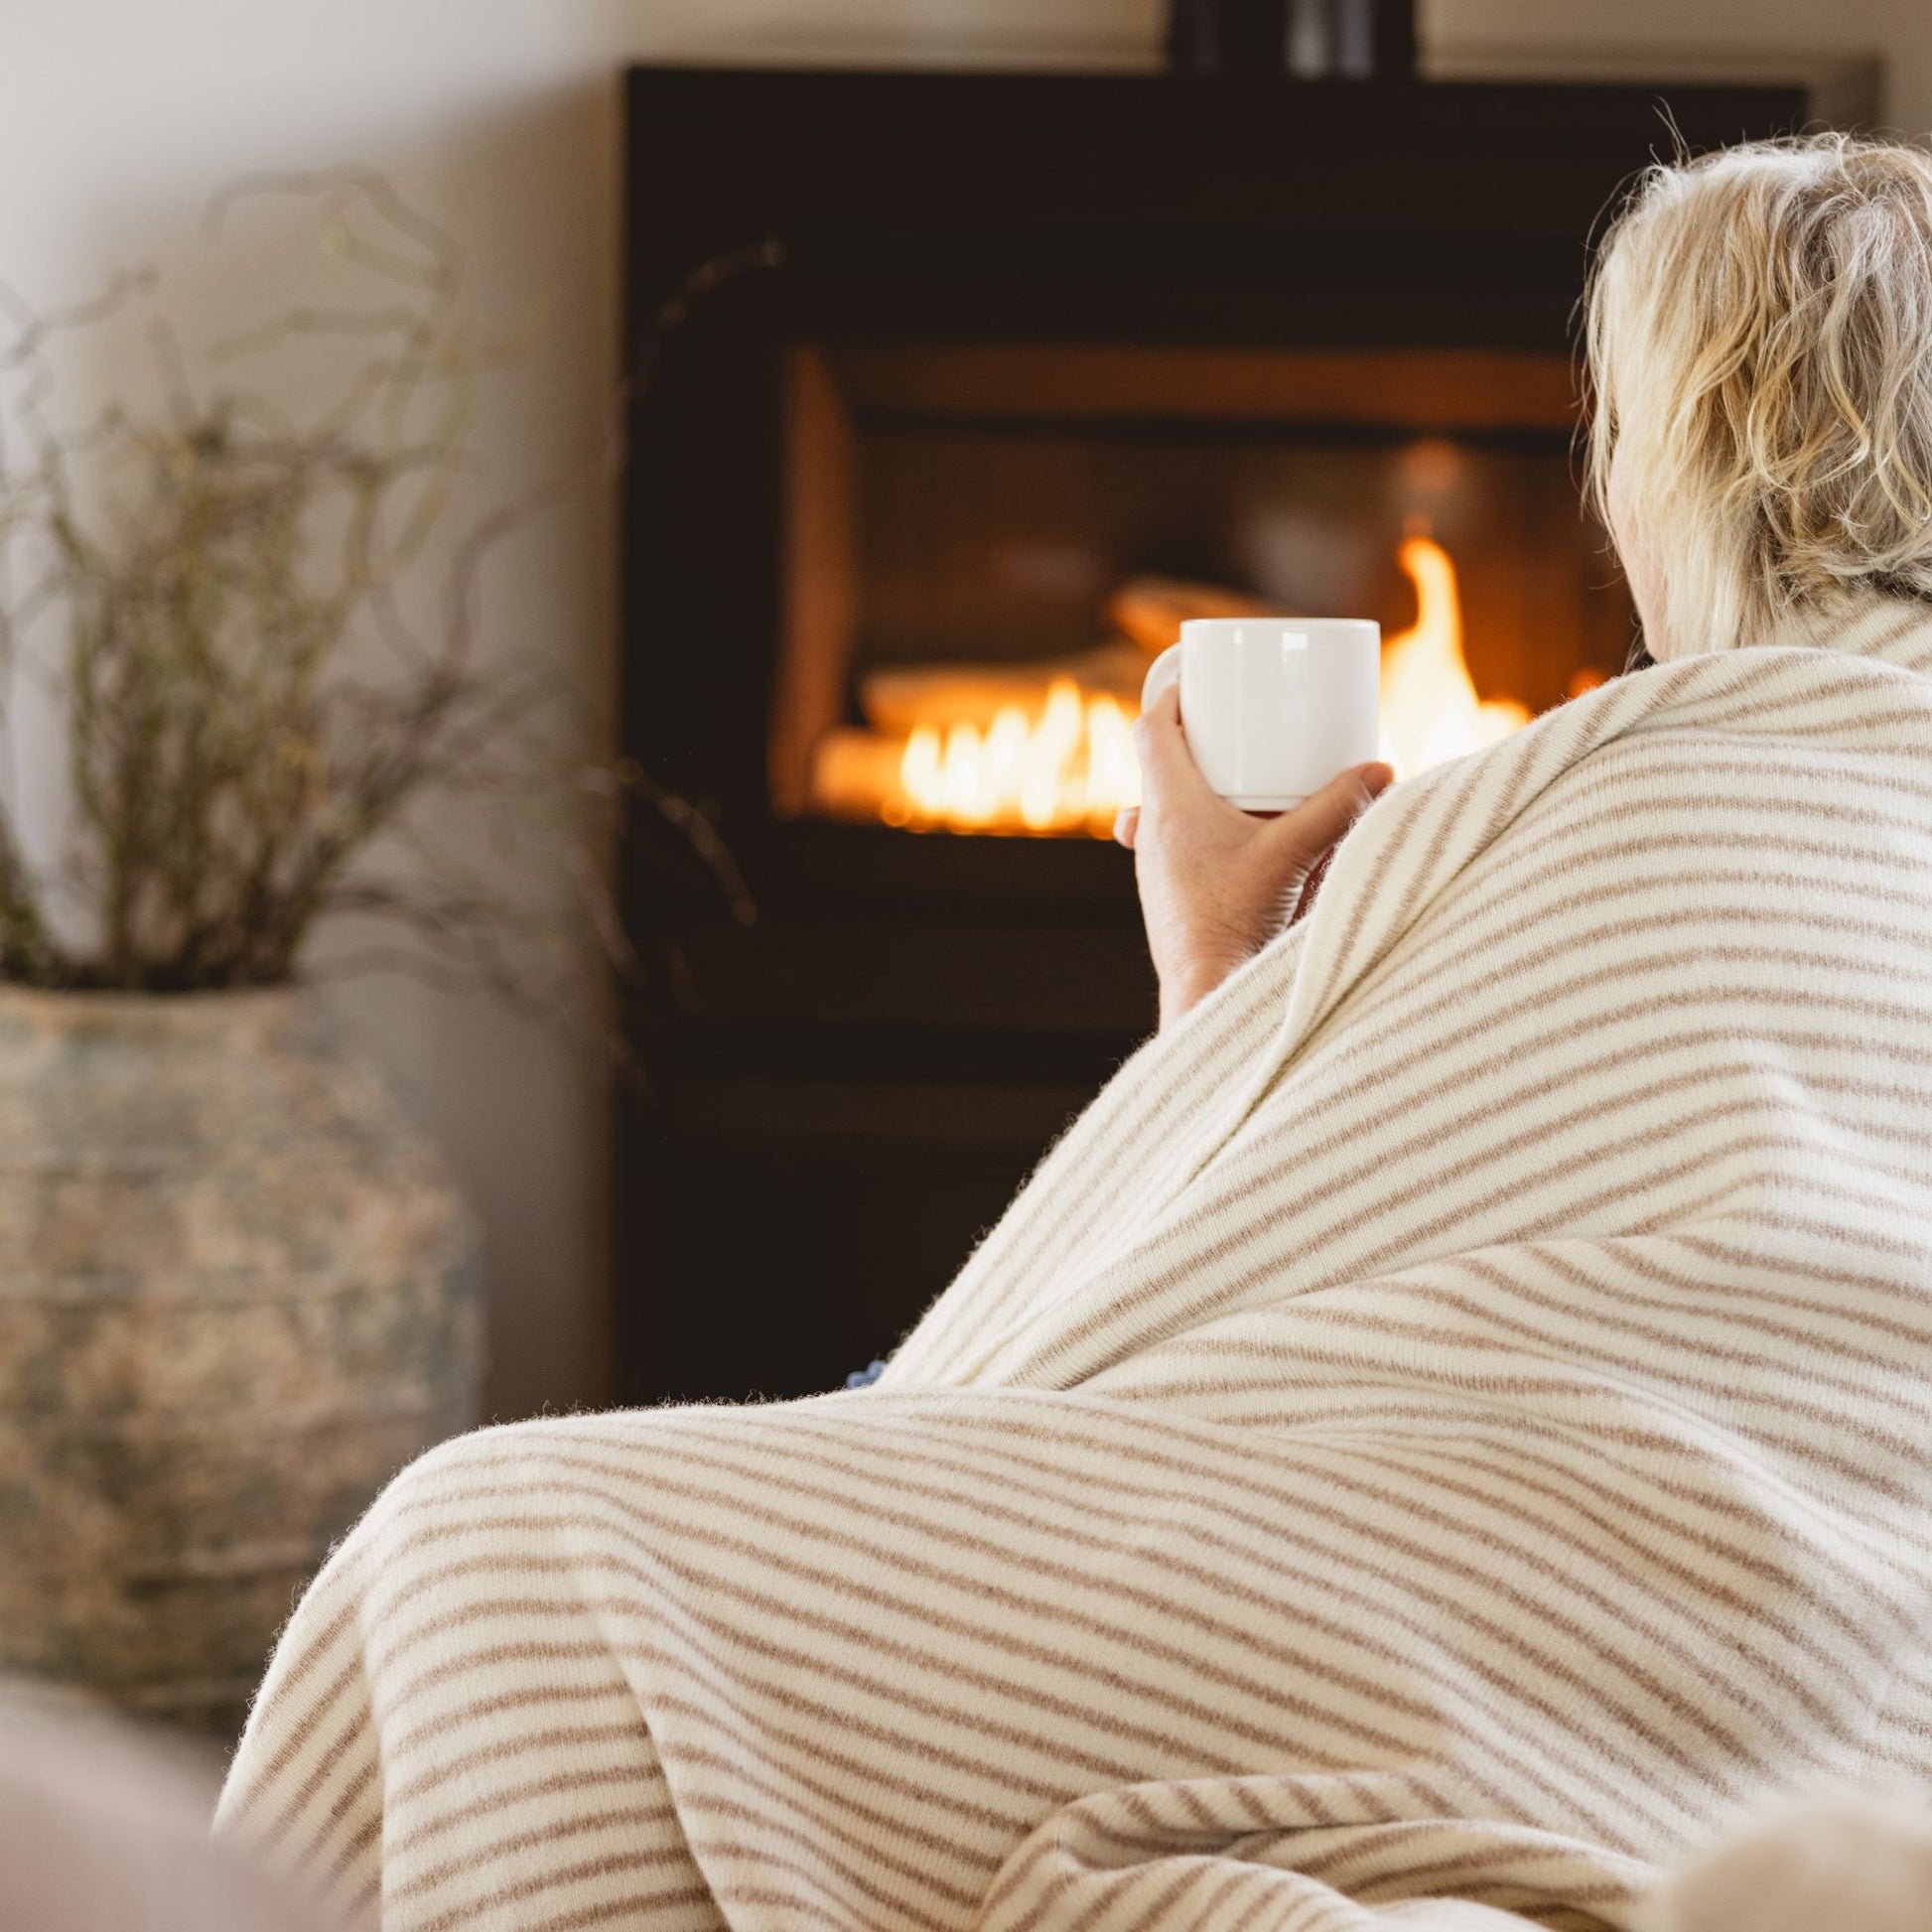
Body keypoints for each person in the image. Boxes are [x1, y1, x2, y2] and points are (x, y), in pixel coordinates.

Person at [218, 133, 1932, 1932]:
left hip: (1510, 1606)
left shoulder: (1593, 795)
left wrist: (1209, 961)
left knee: (493, 1550)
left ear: (1679, 463)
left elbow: (1111, 1321)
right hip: (1828, 1652)